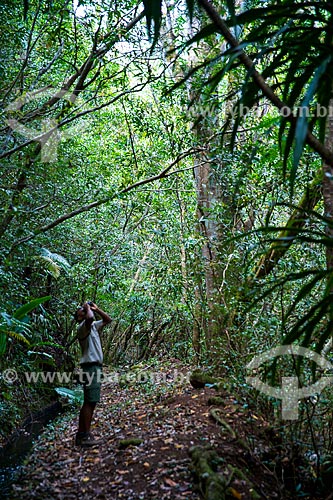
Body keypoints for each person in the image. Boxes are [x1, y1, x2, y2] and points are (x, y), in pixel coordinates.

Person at [73, 301, 112, 447]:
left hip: (94, 367)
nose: (83, 310)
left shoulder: (93, 327)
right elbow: (89, 318)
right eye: (81, 311)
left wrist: (97, 309)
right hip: (90, 367)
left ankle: (82, 434)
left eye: (83, 309)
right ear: (79, 318)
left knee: (90, 401)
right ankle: (85, 436)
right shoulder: (82, 327)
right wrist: (87, 308)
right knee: (90, 401)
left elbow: (108, 320)